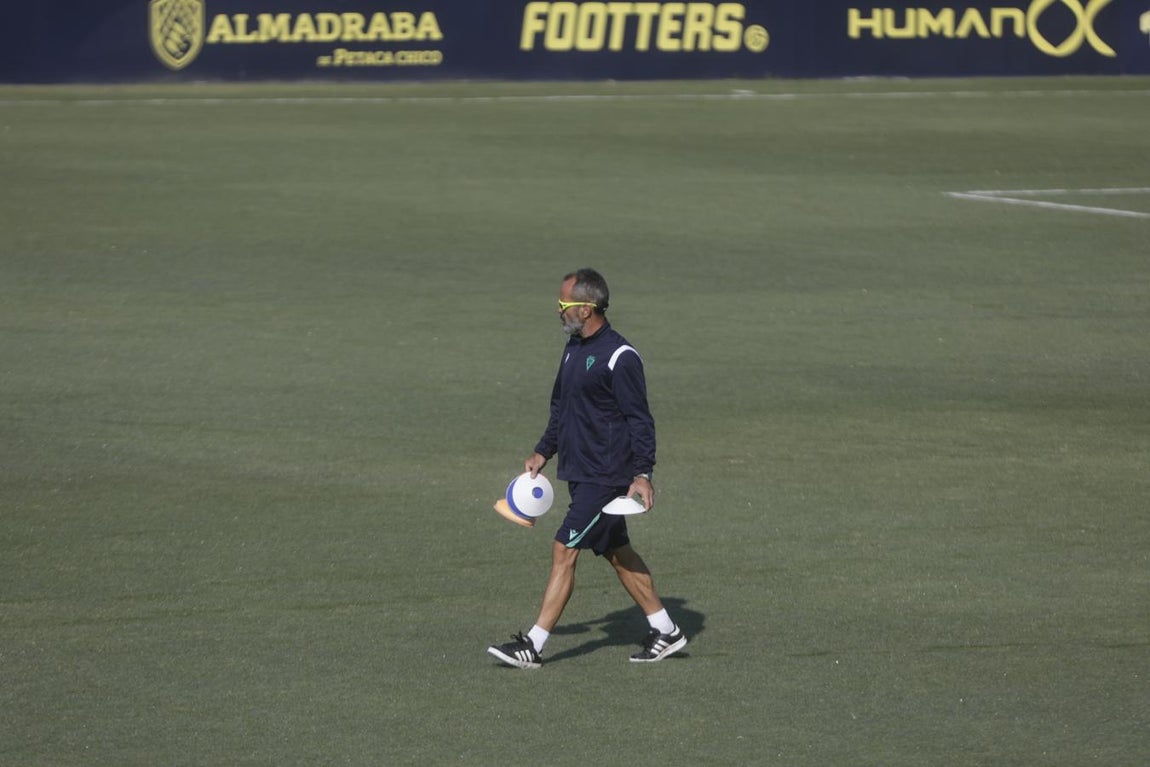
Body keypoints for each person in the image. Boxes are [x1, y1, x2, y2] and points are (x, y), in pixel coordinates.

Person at [487, 268, 687, 669]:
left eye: (563, 305)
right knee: (618, 552)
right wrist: (544, 451)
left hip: (607, 478)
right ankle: (666, 631)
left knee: (565, 549)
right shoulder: (573, 348)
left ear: (585, 307)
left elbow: (640, 420)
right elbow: (562, 407)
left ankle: (534, 645)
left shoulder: (620, 356)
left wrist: (642, 474)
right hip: (580, 473)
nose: (558, 312)